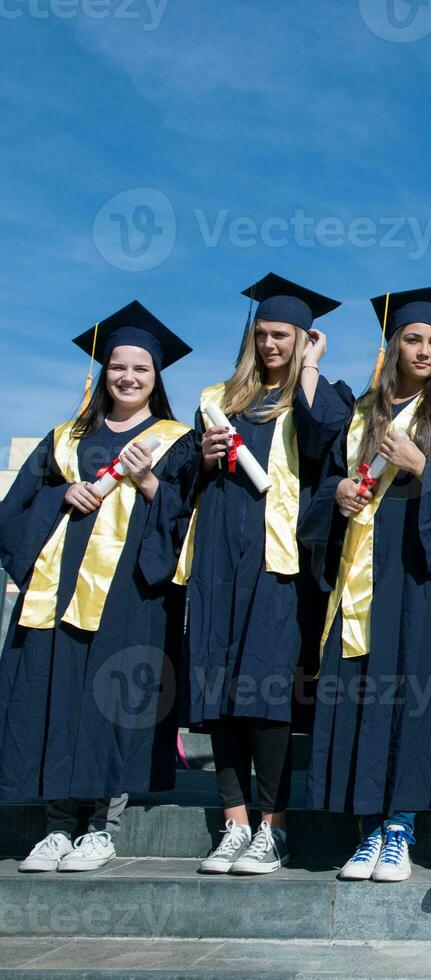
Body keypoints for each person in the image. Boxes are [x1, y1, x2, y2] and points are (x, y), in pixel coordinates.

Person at [301, 285, 431, 884]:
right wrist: (336, 494)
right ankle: (367, 829)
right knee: (361, 691)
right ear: (392, 345)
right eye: (414, 339)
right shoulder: (359, 415)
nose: (426, 350)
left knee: (413, 693)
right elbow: (320, 488)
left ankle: (400, 826)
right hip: (361, 577)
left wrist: (421, 467)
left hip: (424, 583)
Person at [0, 302, 196, 873]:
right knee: (55, 695)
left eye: (141, 369)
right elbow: (12, 513)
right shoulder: (65, 439)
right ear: (102, 372)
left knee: (114, 703)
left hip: (133, 596)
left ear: (156, 378)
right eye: (118, 366)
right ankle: (58, 825)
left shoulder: (175, 441)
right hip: (57, 593)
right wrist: (60, 497)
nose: (128, 377)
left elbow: (188, 522)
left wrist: (148, 480)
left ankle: (103, 828)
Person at [174, 274, 353, 876]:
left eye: (285, 335)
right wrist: (201, 456)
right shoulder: (216, 399)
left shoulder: (319, 395)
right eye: (264, 334)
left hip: (281, 567)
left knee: (267, 691)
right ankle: (233, 822)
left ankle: (272, 829)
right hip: (220, 561)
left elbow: (331, 437)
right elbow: (182, 482)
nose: (272, 344)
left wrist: (310, 367)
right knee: (221, 692)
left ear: (304, 338)